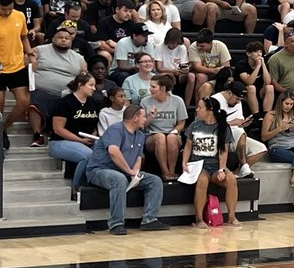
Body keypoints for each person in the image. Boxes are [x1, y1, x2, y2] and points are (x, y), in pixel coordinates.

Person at [85, 104, 168, 235]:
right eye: (143, 117)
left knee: (154, 181)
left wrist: (135, 173)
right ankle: (116, 223)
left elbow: (139, 157)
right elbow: (113, 152)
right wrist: (129, 171)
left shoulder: (140, 135)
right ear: (135, 118)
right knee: (119, 179)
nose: (145, 119)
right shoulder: (115, 129)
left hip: (124, 171)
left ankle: (150, 219)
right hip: (100, 170)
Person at [182, 97, 241, 228]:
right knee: (202, 181)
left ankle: (231, 217)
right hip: (198, 165)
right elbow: (187, 147)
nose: (197, 110)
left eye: (200, 107)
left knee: (231, 179)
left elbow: (224, 151)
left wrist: (221, 169)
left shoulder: (222, 127)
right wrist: (184, 163)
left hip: (215, 165)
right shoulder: (194, 125)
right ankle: (199, 219)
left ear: (210, 110)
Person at [0, 0, 35, 159]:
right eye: (4, 9)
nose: (7, 12)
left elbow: (24, 37)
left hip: (17, 65)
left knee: (24, 102)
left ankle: (3, 128)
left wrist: (30, 53)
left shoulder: (19, 16)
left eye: (10, 8)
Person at [28, 25, 85, 145]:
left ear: (71, 41)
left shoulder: (79, 58)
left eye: (67, 38)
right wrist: (32, 60)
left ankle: (63, 133)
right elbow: (27, 59)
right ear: (53, 38)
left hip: (68, 94)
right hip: (42, 91)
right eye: (60, 37)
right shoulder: (40, 50)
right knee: (36, 99)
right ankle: (37, 135)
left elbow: (84, 75)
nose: (63, 40)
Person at [48, 72, 103, 191]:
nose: (94, 88)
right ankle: (77, 187)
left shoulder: (92, 103)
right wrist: (79, 140)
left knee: (105, 151)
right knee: (87, 156)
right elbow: (58, 129)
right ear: (80, 85)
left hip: (86, 140)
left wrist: (93, 135)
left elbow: (93, 125)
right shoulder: (64, 103)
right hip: (60, 141)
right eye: (91, 85)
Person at [143, 73, 187, 181]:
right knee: (160, 137)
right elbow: (142, 125)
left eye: (153, 87)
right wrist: (150, 117)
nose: (150, 89)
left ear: (162, 88)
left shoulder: (177, 100)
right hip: (152, 136)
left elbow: (182, 122)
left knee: (171, 138)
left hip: (172, 134)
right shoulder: (145, 101)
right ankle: (165, 172)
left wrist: (175, 131)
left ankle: (172, 172)